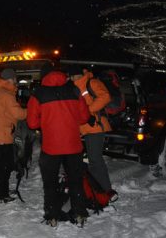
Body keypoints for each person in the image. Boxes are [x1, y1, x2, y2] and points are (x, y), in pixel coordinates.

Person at [27, 62, 91, 227]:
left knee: (50, 183)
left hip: (51, 147)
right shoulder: (74, 90)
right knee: (76, 181)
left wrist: (47, 120)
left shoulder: (38, 94)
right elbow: (84, 118)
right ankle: (79, 213)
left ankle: (52, 215)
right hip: (73, 145)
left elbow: (32, 123)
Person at [68, 65, 114, 194]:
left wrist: (88, 112)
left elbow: (105, 97)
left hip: (95, 127)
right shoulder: (74, 87)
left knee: (95, 160)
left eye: (71, 76)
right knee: (89, 161)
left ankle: (106, 190)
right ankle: (95, 188)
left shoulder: (91, 82)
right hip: (82, 129)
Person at [0, 68, 27, 202]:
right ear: (10, 79)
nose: (16, 82)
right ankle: (0, 195)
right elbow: (18, 114)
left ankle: (1, 190)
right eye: (15, 79)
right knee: (5, 166)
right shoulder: (6, 94)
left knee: (3, 165)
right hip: (3, 135)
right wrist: (29, 111)